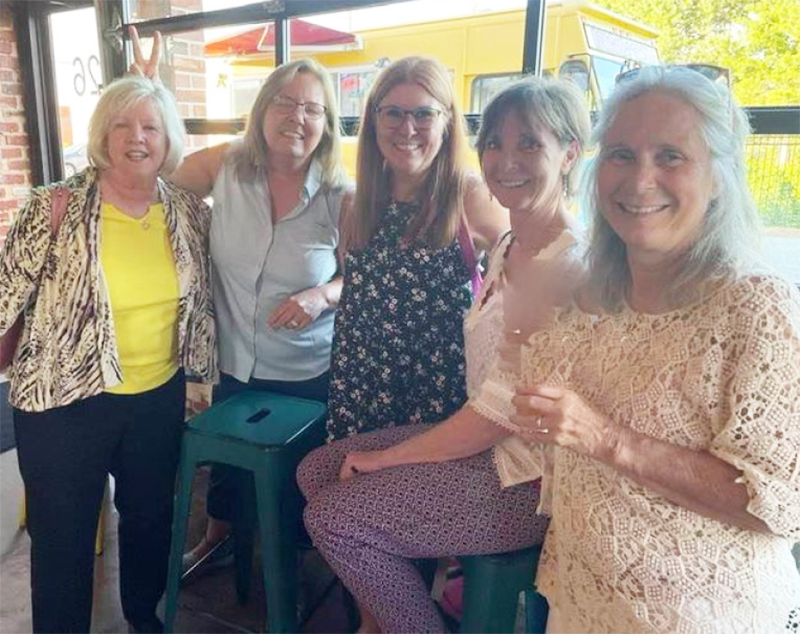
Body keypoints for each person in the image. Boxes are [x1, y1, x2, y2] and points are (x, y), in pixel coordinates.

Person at [480, 66, 800, 632]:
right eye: (622, 154)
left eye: (671, 156)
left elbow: (778, 503)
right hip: (578, 596)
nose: (640, 180)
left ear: (720, 176)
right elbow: (546, 431)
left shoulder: (757, 307)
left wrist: (603, 437)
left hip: (696, 616)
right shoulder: (587, 294)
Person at [297, 76, 590, 633]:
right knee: (319, 471)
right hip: (481, 439)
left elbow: (498, 412)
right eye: (497, 144)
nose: (506, 160)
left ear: (571, 153)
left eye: (530, 143)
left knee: (333, 517)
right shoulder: (513, 245)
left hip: (522, 474)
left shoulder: (564, 263)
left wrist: (385, 460)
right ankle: (395, 615)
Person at [128, 28, 351, 572]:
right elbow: (155, 173)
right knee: (228, 475)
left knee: (300, 478)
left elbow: (358, 275)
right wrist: (148, 90)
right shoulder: (227, 166)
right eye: (285, 102)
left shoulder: (338, 193)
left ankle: (296, 564)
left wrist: (323, 294)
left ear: (325, 126)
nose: (297, 117)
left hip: (306, 370)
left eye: (313, 109)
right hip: (234, 360)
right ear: (263, 109)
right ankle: (218, 541)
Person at [0, 75, 216, 633]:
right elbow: (3, 302)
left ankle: (143, 618)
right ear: (102, 133)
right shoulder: (53, 206)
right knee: (63, 536)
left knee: (149, 521)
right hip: (61, 402)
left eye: (150, 125)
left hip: (155, 396)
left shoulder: (189, 212)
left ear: (169, 139)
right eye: (122, 123)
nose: (136, 137)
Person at [325, 55, 508, 444]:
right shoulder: (354, 202)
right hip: (359, 386)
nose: (407, 128)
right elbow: (354, 286)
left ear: (446, 123)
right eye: (393, 113)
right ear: (374, 120)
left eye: (424, 114)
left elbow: (521, 271)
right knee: (356, 494)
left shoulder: (469, 196)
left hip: (438, 394)